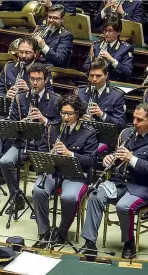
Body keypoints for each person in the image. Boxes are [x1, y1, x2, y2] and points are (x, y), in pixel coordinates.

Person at [80, 103, 148, 259]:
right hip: (120, 182)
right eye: (134, 118)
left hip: (145, 187)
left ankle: (129, 243)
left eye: (139, 120)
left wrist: (131, 158)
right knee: (95, 195)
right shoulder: (127, 132)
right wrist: (110, 159)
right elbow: (117, 155)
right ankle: (89, 243)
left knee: (124, 206)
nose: (134, 122)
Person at [32, 95, 98, 248]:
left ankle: (62, 232)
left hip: (76, 175)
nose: (65, 117)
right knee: (38, 190)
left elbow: (90, 160)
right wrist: (50, 154)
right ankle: (44, 232)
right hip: (53, 171)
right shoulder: (53, 127)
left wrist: (70, 154)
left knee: (69, 197)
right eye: (63, 113)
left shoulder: (89, 132)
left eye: (69, 114)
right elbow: (41, 149)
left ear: (78, 113)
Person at [0, 63, 61, 212]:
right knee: (5, 161)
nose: (34, 82)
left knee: (45, 169)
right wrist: (20, 124)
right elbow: (12, 122)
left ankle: (41, 204)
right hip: (23, 143)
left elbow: (59, 127)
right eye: (32, 79)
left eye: (38, 79)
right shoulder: (20, 98)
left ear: (46, 80)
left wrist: (43, 120)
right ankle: (16, 197)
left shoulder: (56, 99)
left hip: (45, 146)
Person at [83, 13, 133, 82]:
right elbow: (85, 66)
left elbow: (128, 72)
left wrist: (112, 60)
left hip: (113, 83)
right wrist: (94, 63)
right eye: (105, 30)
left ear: (118, 32)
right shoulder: (96, 46)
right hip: (95, 81)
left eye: (110, 31)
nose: (106, 34)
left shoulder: (125, 48)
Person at [79, 57, 126, 130]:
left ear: (106, 75)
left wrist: (102, 114)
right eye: (91, 75)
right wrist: (80, 118)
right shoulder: (79, 92)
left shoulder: (117, 96)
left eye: (98, 76)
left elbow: (120, 124)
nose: (94, 79)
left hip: (103, 137)